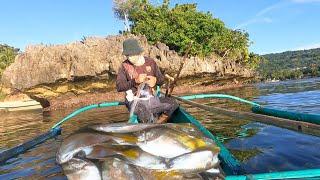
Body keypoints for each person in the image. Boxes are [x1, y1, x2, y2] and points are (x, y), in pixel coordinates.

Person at [116, 38, 178, 123]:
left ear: (139, 52)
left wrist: (155, 81)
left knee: (174, 103)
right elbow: (119, 87)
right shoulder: (124, 66)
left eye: (132, 54)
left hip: (151, 99)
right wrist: (134, 81)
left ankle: (159, 123)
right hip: (134, 101)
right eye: (127, 55)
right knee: (143, 111)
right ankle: (149, 128)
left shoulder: (150, 62)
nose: (130, 57)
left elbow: (161, 80)